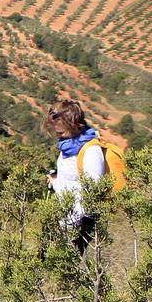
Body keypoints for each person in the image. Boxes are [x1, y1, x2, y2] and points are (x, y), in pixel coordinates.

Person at [44, 99, 104, 254]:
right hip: (61, 218)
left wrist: (72, 227)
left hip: (76, 225)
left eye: (61, 132)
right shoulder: (67, 145)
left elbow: (92, 192)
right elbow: (69, 182)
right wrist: (55, 182)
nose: (58, 136)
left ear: (75, 126)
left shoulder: (91, 150)